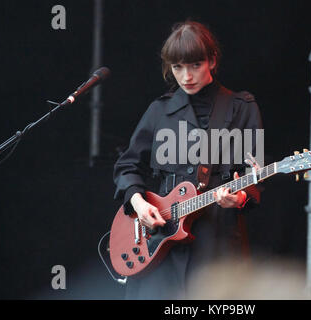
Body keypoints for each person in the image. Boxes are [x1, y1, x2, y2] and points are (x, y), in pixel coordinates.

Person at [113, 20, 263, 299]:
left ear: (212, 60)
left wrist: (239, 197)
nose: (186, 76)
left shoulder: (241, 107)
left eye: (195, 65)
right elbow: (128, 165)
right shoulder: (159, 110)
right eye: (177, 67)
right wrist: (139, 203)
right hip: (160, 238)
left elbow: (253, 175)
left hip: (216, 240)